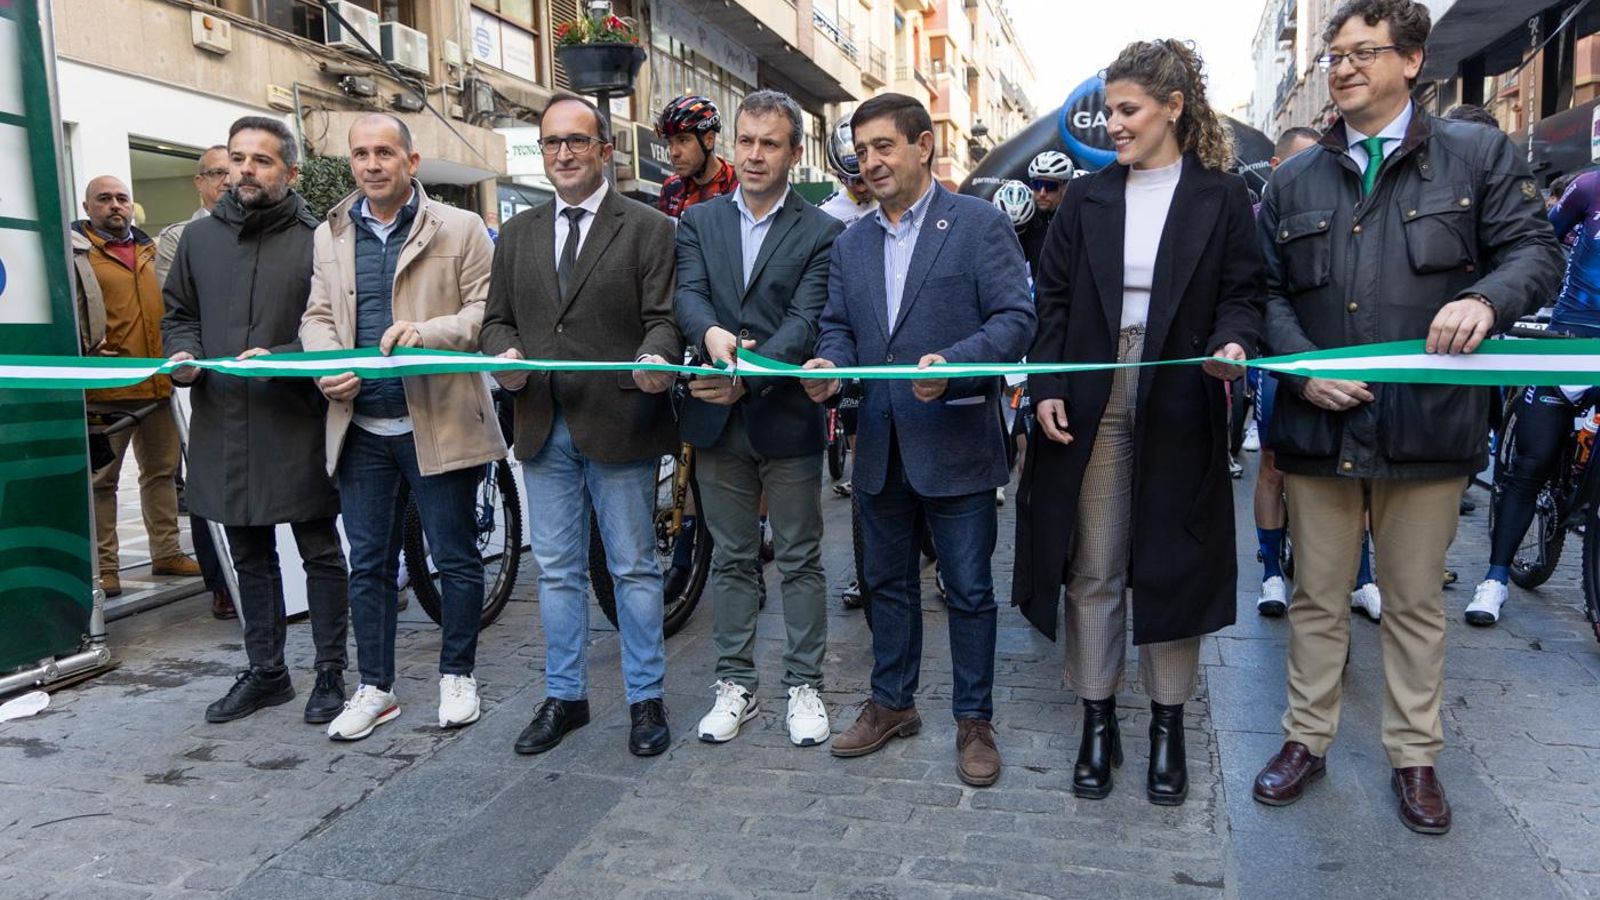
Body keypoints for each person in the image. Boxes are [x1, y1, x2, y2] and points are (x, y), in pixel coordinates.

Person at [1251, 0, 1562, 835]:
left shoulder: (1477, 154)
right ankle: (1304, 742)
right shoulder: (1294, 177)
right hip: (1319, 428)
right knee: (1317, 597)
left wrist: (1485, 300)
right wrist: (1302, 371)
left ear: (1413, 61)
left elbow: (1537, 253)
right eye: (1335, 54)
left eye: (1363, 52)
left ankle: (1414, 757)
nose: (1343, 67)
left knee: (1415, 601)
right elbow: (1265, 294)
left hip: (1428, 427)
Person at [1012, 39, 1263, 806]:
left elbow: (1245, 294)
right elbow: (1050, 301)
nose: (1113, 124)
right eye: (1110, 110)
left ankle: (1166, 725)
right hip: (1093, 390)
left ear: (1173, 107)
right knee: (1095, 563)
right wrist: (1049, 381)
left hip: (1181, 391)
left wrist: (1233, 342)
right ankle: (1096, 719)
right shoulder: (1088, 198)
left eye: (1127, 110)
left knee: (1170, 562)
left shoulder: (1221, 197)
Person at [802, 92, 1036, 787]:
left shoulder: (977, 224)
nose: (870, 161)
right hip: (879, 444)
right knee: (885, 584)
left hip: (957, 441)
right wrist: (829, 366)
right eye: (862, 149)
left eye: (884, 146)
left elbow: (1017, 318)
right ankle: (892, 703)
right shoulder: (850, 241)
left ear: (923, 144)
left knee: (967, 590)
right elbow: (839, 327)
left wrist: (957, 362)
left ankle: (974, 721)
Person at [481, 95, 682, 758]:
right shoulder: (517, 233)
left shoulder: (648, 227)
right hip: (542, 421)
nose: (562, 154)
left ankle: (645, 699)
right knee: (559, 571)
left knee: (633, 568)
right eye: (550, 143)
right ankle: (565, 697)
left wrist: (657, 355)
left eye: (575, 141)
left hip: (619, 420)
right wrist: (502, 356)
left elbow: (663, 317)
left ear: (604, 149)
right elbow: (496, 320)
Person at [298, 114, 507, 741]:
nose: (371, 165)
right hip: (360, 426)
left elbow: (484, 312)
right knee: (367, 564)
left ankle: (458, 676)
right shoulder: (330, 233)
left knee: (455, 557)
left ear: (411, 162)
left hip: (437, 420)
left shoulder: (462, 226)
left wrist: (426, 335)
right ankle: (377, 688)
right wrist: (324, 366)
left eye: (384, 152)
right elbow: (315, 315)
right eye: (360, 153)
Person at [163, 116, 351, 727]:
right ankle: (267, 672)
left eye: (260, 160)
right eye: (236, 159)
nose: (243, 170)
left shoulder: (321, 238)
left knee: (319, 552)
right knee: (247, 554)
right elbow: (178, 314)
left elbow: (340, 331)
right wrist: (185, 355)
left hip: (295, 419)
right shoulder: (198, 240)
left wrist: (287, 361)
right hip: (223, 421)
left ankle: (329, 673)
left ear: (290, 172)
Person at [673, 90, 845, 747]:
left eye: (769, 143)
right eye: (745, 140)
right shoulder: (699, 222)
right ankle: (735, 686)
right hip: (715, 420)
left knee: (800, 557)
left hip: (785, 417)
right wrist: (712, 333)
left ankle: (805, 685)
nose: (753, 154)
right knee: (733, 559)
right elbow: (687, 294)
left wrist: (745, 376)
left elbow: (807, 320)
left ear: (794, 153)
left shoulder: (823, 232)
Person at [1470, 167, 1600, 626]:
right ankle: (1495, 579)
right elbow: (1540, 248)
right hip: (1569, 344)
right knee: (1531, 464)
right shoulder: (1588, 187)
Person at [71, 176, 202, 600]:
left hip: (157, 385)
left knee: (162, 473)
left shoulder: (153, 250)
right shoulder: (76, 254)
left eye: (121, 198)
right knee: (102, 483)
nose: (115, 206)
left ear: (133, 205)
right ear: (87, 206)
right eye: (104, 199)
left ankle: (166, 552)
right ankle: (106, 569)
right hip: (105, 390)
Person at [156, 146, 234, 620]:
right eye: (217, 173)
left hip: (263, 375)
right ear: (199, 182)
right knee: (208, 484)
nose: (228, 180)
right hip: (202, 379)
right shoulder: (179, 238)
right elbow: (181, 308)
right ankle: (221, 583)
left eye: (235, 170)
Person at [656, 94, 737, 220]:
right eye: (670, 143)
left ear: (709, 140)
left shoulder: (738, 184)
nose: (674, 153)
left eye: (683, 140)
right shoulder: (671, 188)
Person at [1018, 150, 1074, 282]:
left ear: (1065, 187)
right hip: (1039, 298)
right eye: (1037, 185)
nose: (1042, 193)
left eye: (1050, 186)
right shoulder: (1028, 221)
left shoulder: (1077, 220)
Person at [819, 118, 879, 227]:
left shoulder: (903, 200)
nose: (861, 189)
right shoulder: (824, 215)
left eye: (864, 178)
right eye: (848, 180)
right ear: (839, 176)